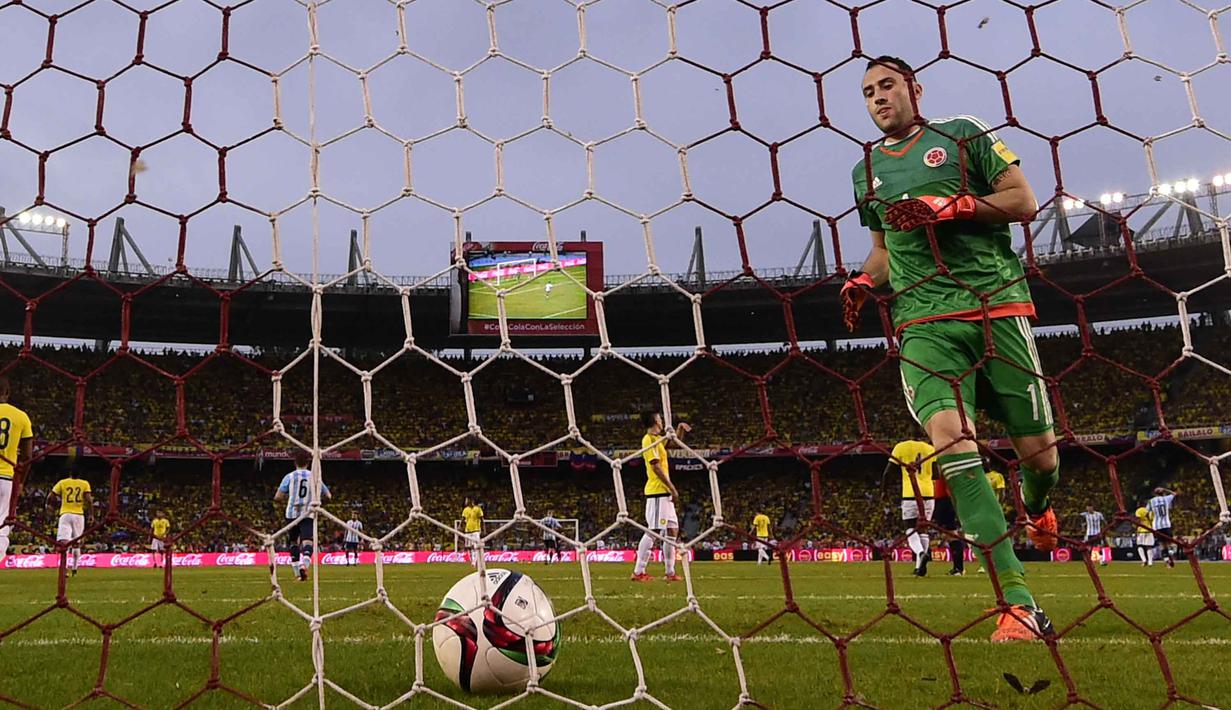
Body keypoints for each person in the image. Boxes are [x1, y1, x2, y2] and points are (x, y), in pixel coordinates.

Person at [845, 55, 1058, 641]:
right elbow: (885, 252)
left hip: (996, 308)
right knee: (953, 440)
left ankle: (1038, 509)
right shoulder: (866, 170)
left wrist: (954, 205)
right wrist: (864, 282)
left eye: (887, 85)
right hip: (922, 322)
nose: (878, 98)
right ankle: (1018, 603)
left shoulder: (964, 135)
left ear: (915, 87)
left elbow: (1024, 201)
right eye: (867, 92)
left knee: (1040, 458)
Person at [631, 412, 690, 583]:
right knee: (654, 531)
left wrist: (679, 430)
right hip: (657, 492)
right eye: (660, 418)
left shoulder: (657, 439)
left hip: (664, 495)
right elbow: (655, 467)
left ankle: (670, 571)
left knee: (672, 531)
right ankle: (638, 571)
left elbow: (672, 444)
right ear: (656, 421)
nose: (662, 421)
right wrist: (672, 487)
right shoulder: (648, 439)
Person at [274, 450, 331, 582]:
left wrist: (290, 496)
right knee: (307, 541)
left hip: (291, 513)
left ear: (295, 462)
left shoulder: (289, 477)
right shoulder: (314, 476)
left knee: (293, 542)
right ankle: (304, 565)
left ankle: (297, 574)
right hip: (308, 512)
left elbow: (278, 497)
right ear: (308, 462)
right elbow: (328, 495)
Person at [887, 438, 935, 577]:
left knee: (910, 528)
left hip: (910, 493)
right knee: (923, 528)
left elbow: (889, 471)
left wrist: (885, 489)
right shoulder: (930, 448)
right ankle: (919, 567)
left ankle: (920, 553)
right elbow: (936, 474)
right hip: (928, 493)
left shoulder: (900, 447)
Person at [0, 376, 34, 564]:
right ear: (7, 393)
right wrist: (20, 482)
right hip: (6, 477)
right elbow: (28, 456)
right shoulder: (21, 416)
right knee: (2, 527)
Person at [46, 473, 91, 576]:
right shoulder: (84, 483)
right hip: (78, 515)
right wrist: (91, 514)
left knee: (64, 544)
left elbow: (51, 496)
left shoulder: (63, 482)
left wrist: (49, 505)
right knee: (76, 543)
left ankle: (64, 569)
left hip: (65, 514)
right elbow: (88, 500)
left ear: (70, 473)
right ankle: (75, 569)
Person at [931, 475, 965, 575]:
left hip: (944, 501)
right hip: (942, 500)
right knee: (949, 534)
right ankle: (958, 567)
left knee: (951, 534)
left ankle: (958, 568)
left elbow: (950, 485)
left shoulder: (943, 467)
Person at [1147, 487, 1178, 568]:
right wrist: (1166, 489)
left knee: (1161, 544)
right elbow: (1174, 493)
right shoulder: (1166, 499)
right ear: (1163, 493)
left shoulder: (1151, 501)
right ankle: (1171, 555)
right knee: (1169, 543)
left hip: (1156, 526)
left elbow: (1147, 512)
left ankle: (1167, 561)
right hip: (1166, 524)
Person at [461, 498, 484, 567]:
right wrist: (460, 526)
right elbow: (463, 519)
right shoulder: (465, 509)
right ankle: (472, 560)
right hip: (467, 531)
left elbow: (482, 519)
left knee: (475, 546)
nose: (465, 502)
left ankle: (474, 561)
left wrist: (483, 529)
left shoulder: (478, 509)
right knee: (468, 547)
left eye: (466, 500)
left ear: (471, 501)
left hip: (476, 530)